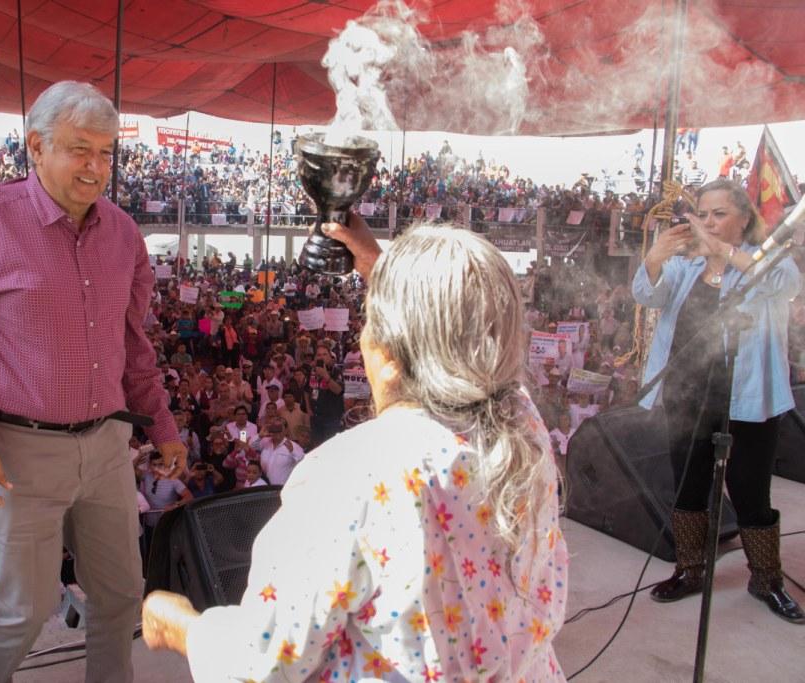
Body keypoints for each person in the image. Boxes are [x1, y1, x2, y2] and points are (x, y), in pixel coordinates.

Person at [143, 221, 568, 681]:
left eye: (368, 322)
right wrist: (377, 263)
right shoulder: (523, 424)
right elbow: (459, 323)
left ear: (386, 357)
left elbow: (263, 660)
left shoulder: (356, 472)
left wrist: (183, 626)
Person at [0, 81, 186, 683]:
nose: (96, 168)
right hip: (16, 449)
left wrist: (164, 426)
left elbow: (131, 345)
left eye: (107, 152)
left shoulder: (123, 234)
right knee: (25, 608)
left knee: (122, 594)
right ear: (36, 147)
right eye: (79, 150)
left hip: (105, 447)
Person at [633, 179, 803, 622]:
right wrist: (655, 257)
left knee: (750, 491)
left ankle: (766, 578)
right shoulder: (685, 267)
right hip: (688, 395)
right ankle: (690, 569)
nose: (708, 222)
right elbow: (646, 294)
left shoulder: (768, 261)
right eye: (703, 214)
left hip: (747, 399)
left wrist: (723, 253)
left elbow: (783, 285)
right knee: (688, 484)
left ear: (743, 218)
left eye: (719, 214)